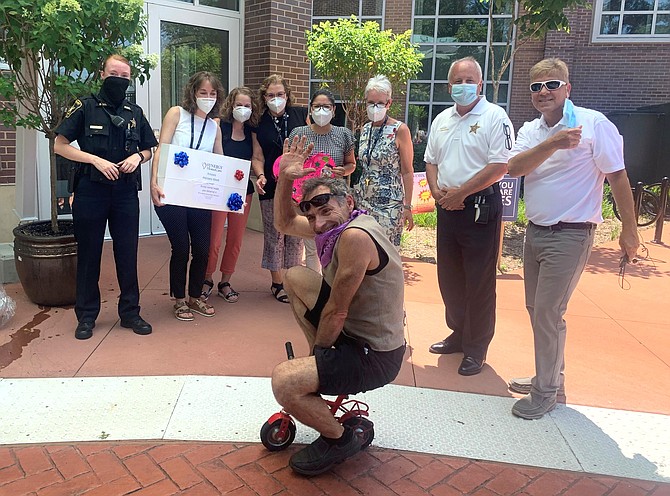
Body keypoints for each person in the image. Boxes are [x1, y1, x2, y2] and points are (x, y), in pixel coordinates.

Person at [507, 58, 639, 419]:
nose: (543, 92)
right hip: (535, 233)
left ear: (568, 87)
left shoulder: (594, 124)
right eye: (536, 87)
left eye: (551, 84)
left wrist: (630, 229)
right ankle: (551, 376)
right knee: (538, 311)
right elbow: (514, 169)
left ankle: (546, 391)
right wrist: (554, 143)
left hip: (572, 234)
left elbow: (618, 177)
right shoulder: (532, 131)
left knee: (549, 312)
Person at [271, 136, 406, 476]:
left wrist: (320, 355)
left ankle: (340, 438)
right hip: (354, 334)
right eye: (311, 214)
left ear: (347, 201)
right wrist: (286, 178)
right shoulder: (337, 228)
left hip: (374, 355)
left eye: (326, 210)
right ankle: (321, 371)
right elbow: (284, 224)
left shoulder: (355, 237)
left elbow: (337, 311)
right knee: (295, 278)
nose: (318, 224)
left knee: (284, 383)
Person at [54, 54, 158, 340]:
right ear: (102, 74)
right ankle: (86, 316)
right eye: (114, 73)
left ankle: (130, 313)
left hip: (125, 193)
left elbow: (150, 148)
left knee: (127, 253)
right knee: (89, 254)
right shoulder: (85, 107)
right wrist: (94, 160)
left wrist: (139, 157)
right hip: (91, 190)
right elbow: (60, 146)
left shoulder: (134, 112)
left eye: (125, 76)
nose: (119, 79)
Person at [424, 56, 514, 376]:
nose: (462, 86)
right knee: (449, 277)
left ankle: (476, 347)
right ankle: (459, 333)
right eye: (456, 81)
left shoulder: (495, 117)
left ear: (480, 84)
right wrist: (437, 193)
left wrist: (460, 194)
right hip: (447, 207)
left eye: (468, 80)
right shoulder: (442, 119)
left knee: (478, 280)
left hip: (479, 208)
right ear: (449, 86)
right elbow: (431, 161)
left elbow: (499, 166)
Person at [150, 71, 224, 321]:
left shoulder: (215, 126)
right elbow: (162, 149)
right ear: (193, 92)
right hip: (171, 192)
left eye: (212, 93)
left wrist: (229, 193)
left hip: (199, 197)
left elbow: (219, 163)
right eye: (203, 92)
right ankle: (179, 299)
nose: (208, 97)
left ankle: (195, 297)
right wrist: (153, 182)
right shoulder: (176, 114)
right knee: (181, 246)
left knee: (202, 249)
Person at [202, 87, 262, 302]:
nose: (243, 109)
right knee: (214, 240)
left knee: (235, 240)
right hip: (219, 191)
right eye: (239, 105)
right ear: (231, 105)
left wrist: (261, 175)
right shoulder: (219, 126)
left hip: (242, 192)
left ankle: (225, 281)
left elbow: (256, 158)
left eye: (247, 106)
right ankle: (206, 279)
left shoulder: (253, 132)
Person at [252, 75, 308, 302]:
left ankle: (294, 279)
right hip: (271, 185)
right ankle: (277, 283)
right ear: (264, 97)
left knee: (296, 234)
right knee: (275, 234)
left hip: (299, 185)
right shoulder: (258, 122)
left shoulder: (299, 115)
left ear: (287, 95)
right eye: (271, 95)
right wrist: (261, 175)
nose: (276, 99)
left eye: (280, 94)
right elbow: (257, 155)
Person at [288, 88, 356, 270]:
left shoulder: (344, 134)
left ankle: (334, 284)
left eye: (326, 107)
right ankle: (316, 289)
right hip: (307, 198)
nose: (321, 111)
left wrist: (344, 171)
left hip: (335, 200)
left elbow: (352, 164)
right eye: (317, 106)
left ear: (334, 110)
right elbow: (289, 163)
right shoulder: (298, 133)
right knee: (312, 246)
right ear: (310, 109)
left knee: (337, 243)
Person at [353, 75, 415, 248]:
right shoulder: (365, 129)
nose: (375, 107)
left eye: (380, 103)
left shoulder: (400, 130)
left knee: (385, 254)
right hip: (364, 201)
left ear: (389, 103)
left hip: (389, 206)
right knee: (363, 251)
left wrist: (408, 206)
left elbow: (407, 171)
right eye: (370, 102)